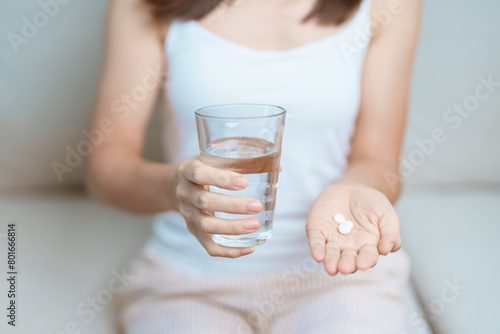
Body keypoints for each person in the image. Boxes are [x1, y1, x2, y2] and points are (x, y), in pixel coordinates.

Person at [86, 0, 422, 332]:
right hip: (188, 280)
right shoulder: (145, 5)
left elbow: (378, 160)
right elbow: (104, 168)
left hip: (340, 273)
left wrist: (356, 189)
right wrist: (173, 188)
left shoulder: (390, 5)